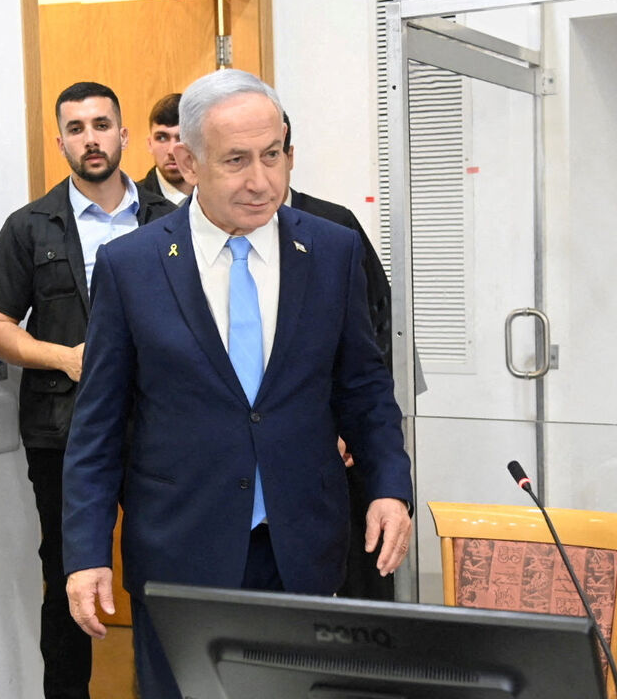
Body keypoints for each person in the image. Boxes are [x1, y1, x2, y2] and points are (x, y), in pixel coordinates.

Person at [62, 69, 414, 699]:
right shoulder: (131, 265)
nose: (262, 181)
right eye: (236, 161)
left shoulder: (332, 251)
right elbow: (98, 425)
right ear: (188, 163)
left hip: (301, 543)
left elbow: (364, 387)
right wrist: (87, 552)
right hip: (181, 548)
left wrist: (389, 486)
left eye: (273, 155)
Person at [0, 81, 174, 699]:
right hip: (64, 432)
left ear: (123, 135)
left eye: (101, 125)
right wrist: (64, 357)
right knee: (67, 575)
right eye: (76, 128)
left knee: (165, 573)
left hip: (163, 431)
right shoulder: (30, 227)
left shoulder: (171, 221)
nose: (91, 139)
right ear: (59, 141)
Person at [280, 111, 395, 601]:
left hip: (340, 438)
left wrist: (350, 425)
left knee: (354, 574)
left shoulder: (334, 226)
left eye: (272, 153)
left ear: (289, 156)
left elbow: (377, 329)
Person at [135, 93, 191, 206]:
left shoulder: (220, 196)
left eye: (181, 138)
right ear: (150, 144)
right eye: (161, 138)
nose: (171, 151)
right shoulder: (132, 203)